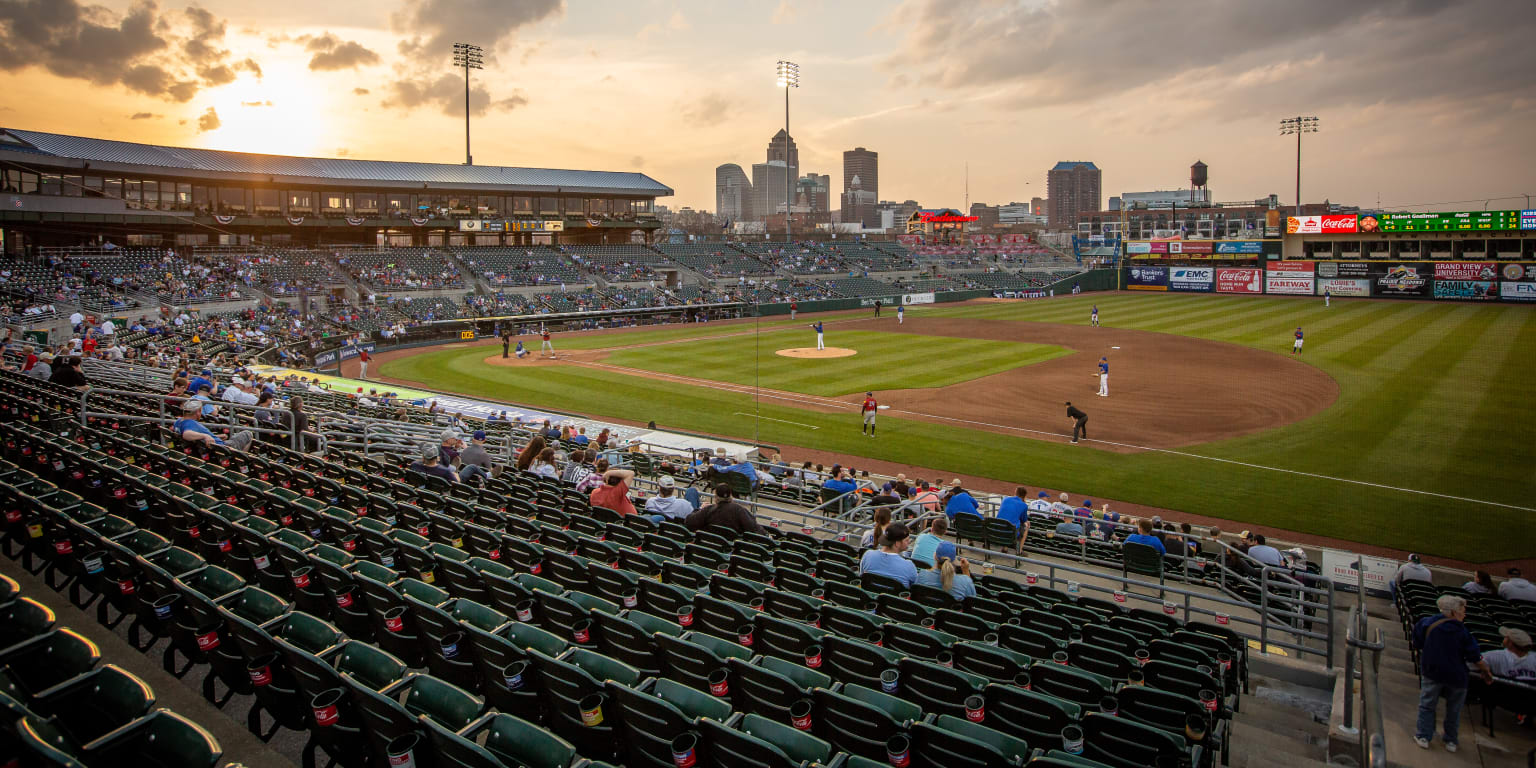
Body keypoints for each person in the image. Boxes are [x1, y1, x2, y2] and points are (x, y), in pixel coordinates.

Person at [1412, 594, 1491, 752]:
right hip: (1457, 676)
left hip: (1432, 671)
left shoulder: (1426, 623)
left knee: (1427, 705)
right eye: (1462, 611)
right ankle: (1451, 740)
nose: (1464, 614)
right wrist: (1486, 671)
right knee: (1454, 710)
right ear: (1454, 613)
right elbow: (1474, 656)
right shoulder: (1463, 632)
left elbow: (1417, 642)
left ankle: (1423, 736)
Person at [173, 400, 255, 451]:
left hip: (215, 445)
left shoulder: (179, 421)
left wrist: (216, 436)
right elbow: (186, 434)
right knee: (248, 433)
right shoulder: (190, 423)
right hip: (223, 448)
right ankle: (241, 460)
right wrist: (206, 436)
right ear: (197, 412)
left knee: (234, 436)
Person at [684, 484, 763, 534]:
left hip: (710, 548)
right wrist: (767, 535)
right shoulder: (739, 510)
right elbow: (754, 528)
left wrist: (700, 509)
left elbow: (689, 522)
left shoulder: (708, 510)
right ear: (731, 496)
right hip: (731, 551)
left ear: (715, 497)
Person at [857, 523, 918, 587]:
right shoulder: (909, 566)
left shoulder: (868, 555)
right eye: (906, 540)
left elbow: (861, 577)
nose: (909, 542)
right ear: (897, 543)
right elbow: (915, 588)